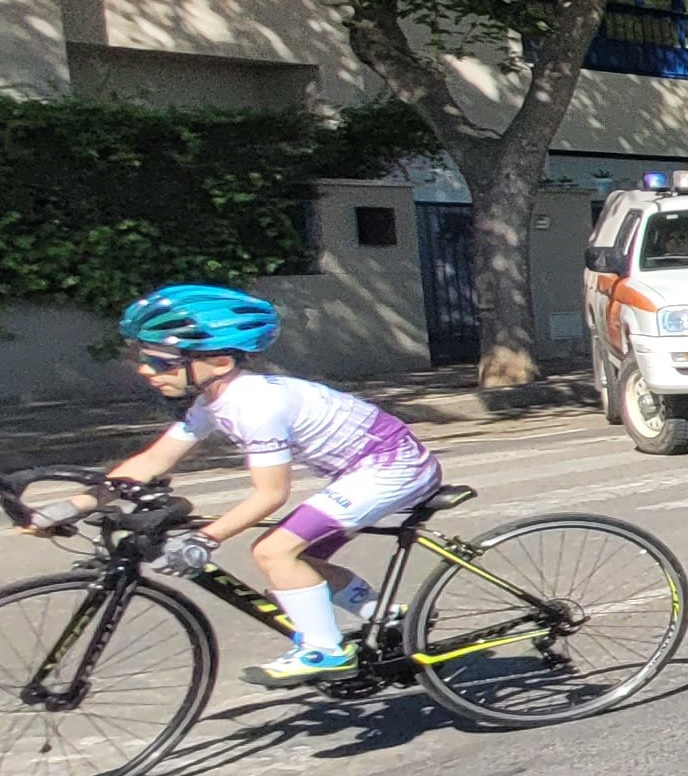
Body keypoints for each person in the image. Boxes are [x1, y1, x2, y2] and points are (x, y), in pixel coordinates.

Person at [66, 286, 441, 686]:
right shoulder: (212, 402)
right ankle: (383, 616)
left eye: (161, 362)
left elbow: (270, 494)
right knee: (297, 564)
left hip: (392, 467)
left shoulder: (256, 405)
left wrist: (204, 540)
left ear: (221, 361)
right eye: (144, 359)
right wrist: (75, 504)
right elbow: (154, 460)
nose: (146, 370)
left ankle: (326, 651)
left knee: (273, 551)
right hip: (360, 469)